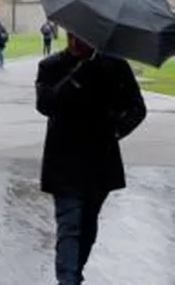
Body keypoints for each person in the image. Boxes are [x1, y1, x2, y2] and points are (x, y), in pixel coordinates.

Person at [35, 32, 147, 285]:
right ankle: (67, 280)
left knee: (86, 226)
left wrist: (116, 130)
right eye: (71, 36)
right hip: (63, 161)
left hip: (99, 161)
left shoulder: (114, 66)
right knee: (69, 226)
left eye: (82, 37)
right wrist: (77, 76)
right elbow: (46, 104)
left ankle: (74, 273)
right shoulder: (51, 66)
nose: (75, 42)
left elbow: (137, 108)